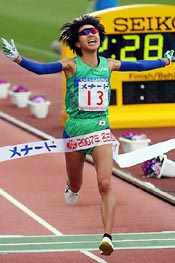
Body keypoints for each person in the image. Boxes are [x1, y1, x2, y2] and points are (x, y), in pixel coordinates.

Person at [1, 15, 174, 256]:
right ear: (77, 42)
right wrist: (18, 58)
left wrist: (164, 62)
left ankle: (107, 237)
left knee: (105, 183)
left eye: (94, 31)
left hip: (100, 131)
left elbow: (140, 65)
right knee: (77, 182)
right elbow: (41, 70)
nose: (92, 34)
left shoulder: (109, 64)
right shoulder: (71, 65)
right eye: (85, 32)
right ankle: (71, 188)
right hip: (74, 133)